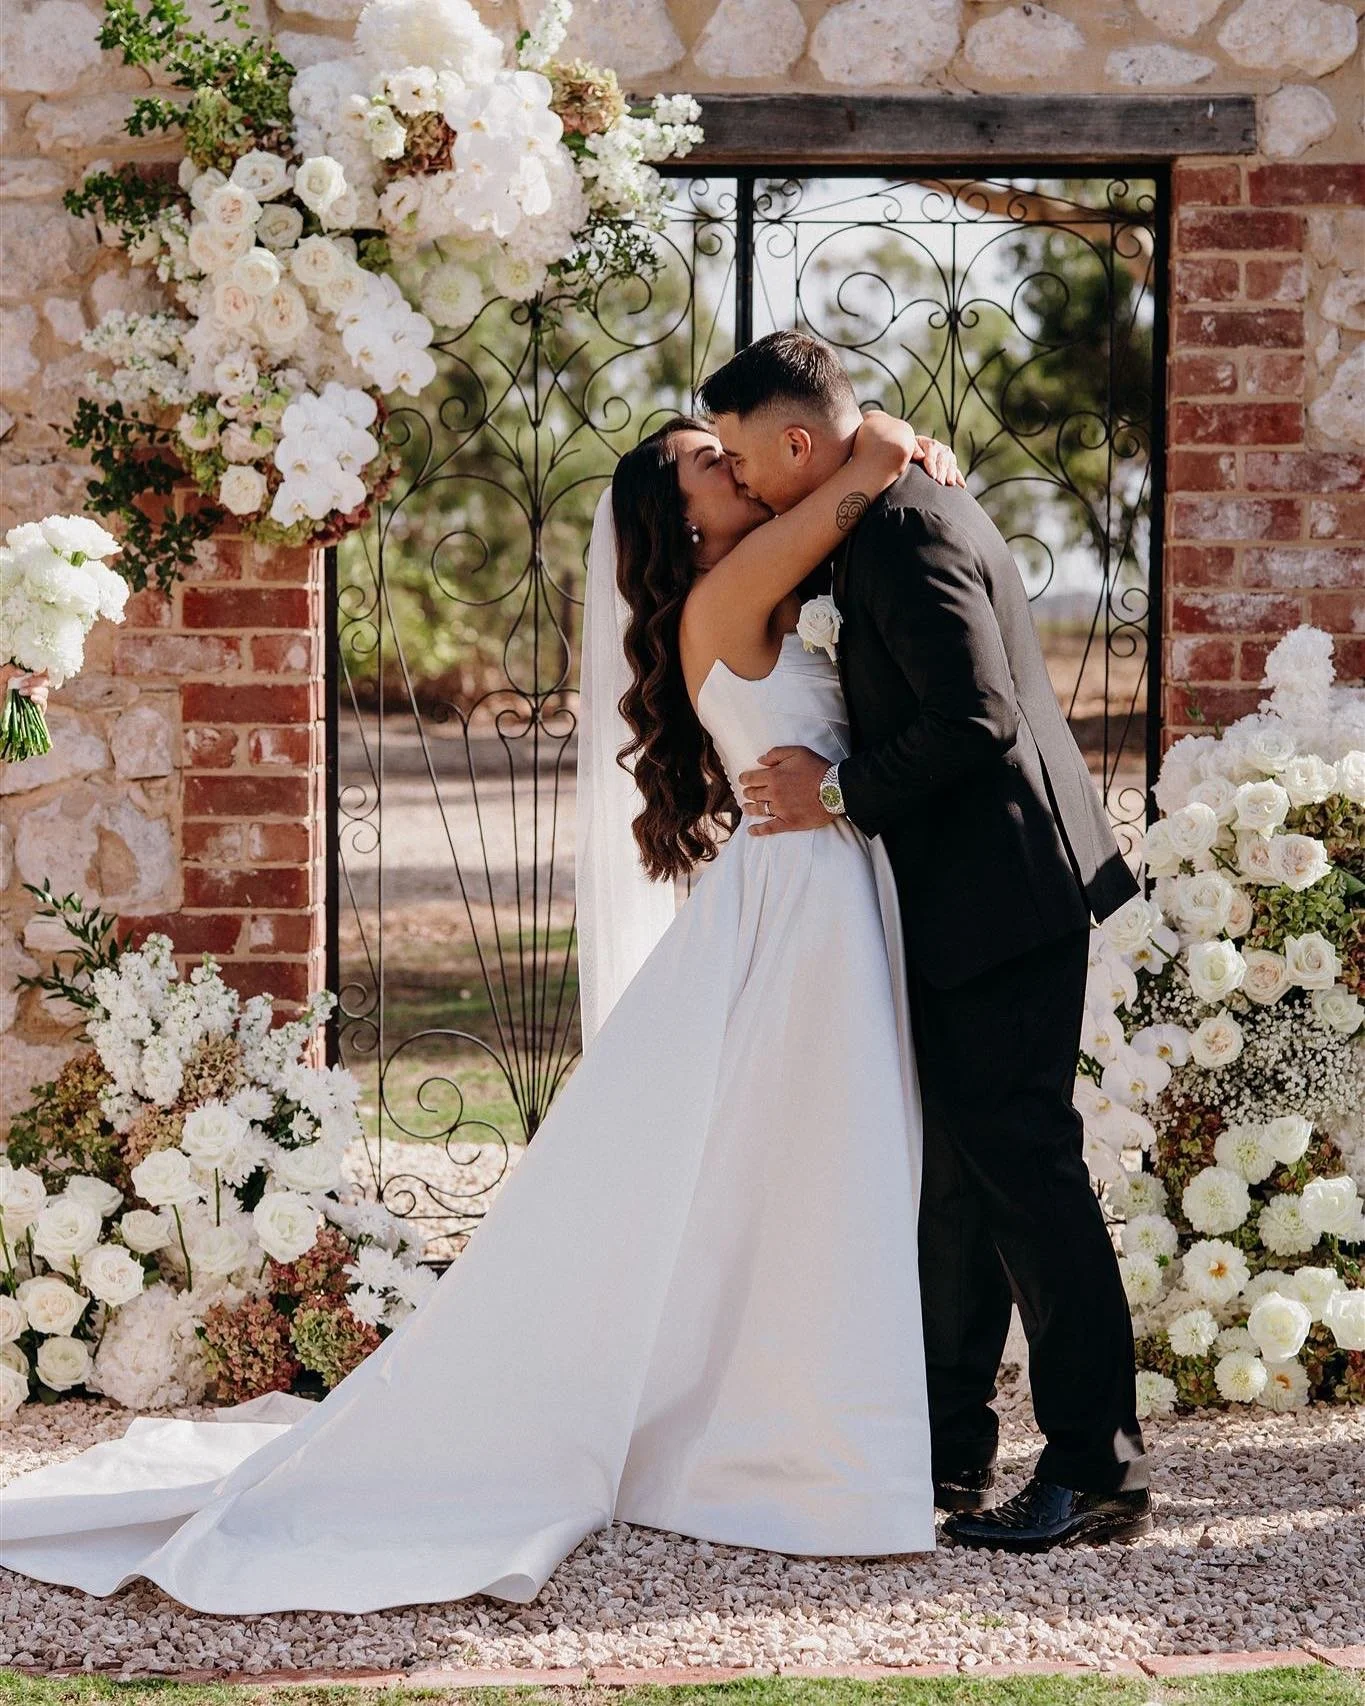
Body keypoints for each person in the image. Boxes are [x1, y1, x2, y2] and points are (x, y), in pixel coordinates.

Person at [0, 411, 967, 1613]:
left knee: (792, 1174)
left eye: (729, 449)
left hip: (818, 888)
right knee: (818, 1159)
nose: (732, 463)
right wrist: (893, 437)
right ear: (679, 522)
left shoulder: (754, 586)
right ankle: (811, 1457)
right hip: (804, 903)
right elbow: (858, 476)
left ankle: (798, 1432)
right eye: (708, 463)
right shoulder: (727, 595)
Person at [697, 330, 1152, 1553]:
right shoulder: (882, 508)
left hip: (1000, 897)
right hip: (969, 902)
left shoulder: (905, 529)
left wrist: (834, 793)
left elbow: (977, 715)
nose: (736, 481)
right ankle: (949, 1449)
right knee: (959, 1184)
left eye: (741, 458)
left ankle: (1097, 1464)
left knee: (1028, 1179)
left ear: (799, 441)